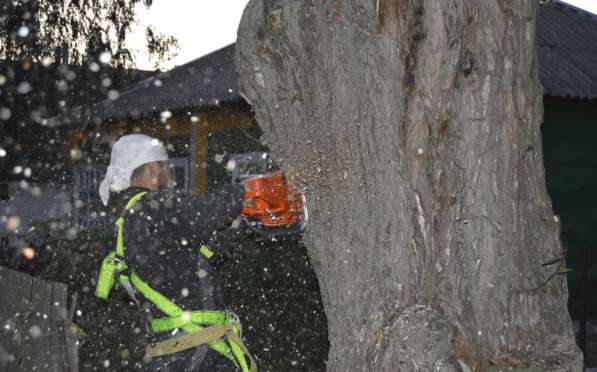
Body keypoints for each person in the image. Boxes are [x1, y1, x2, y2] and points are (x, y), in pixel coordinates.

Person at [95, 134, 255, 371]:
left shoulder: (133, 220)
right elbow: (206, 212)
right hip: (191, 353)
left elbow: (201, 253)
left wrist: (240, 226)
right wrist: (246, 190)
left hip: (175, 352)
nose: (171, 175)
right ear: (152, 170)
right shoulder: (151, 208)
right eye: (166, 168)